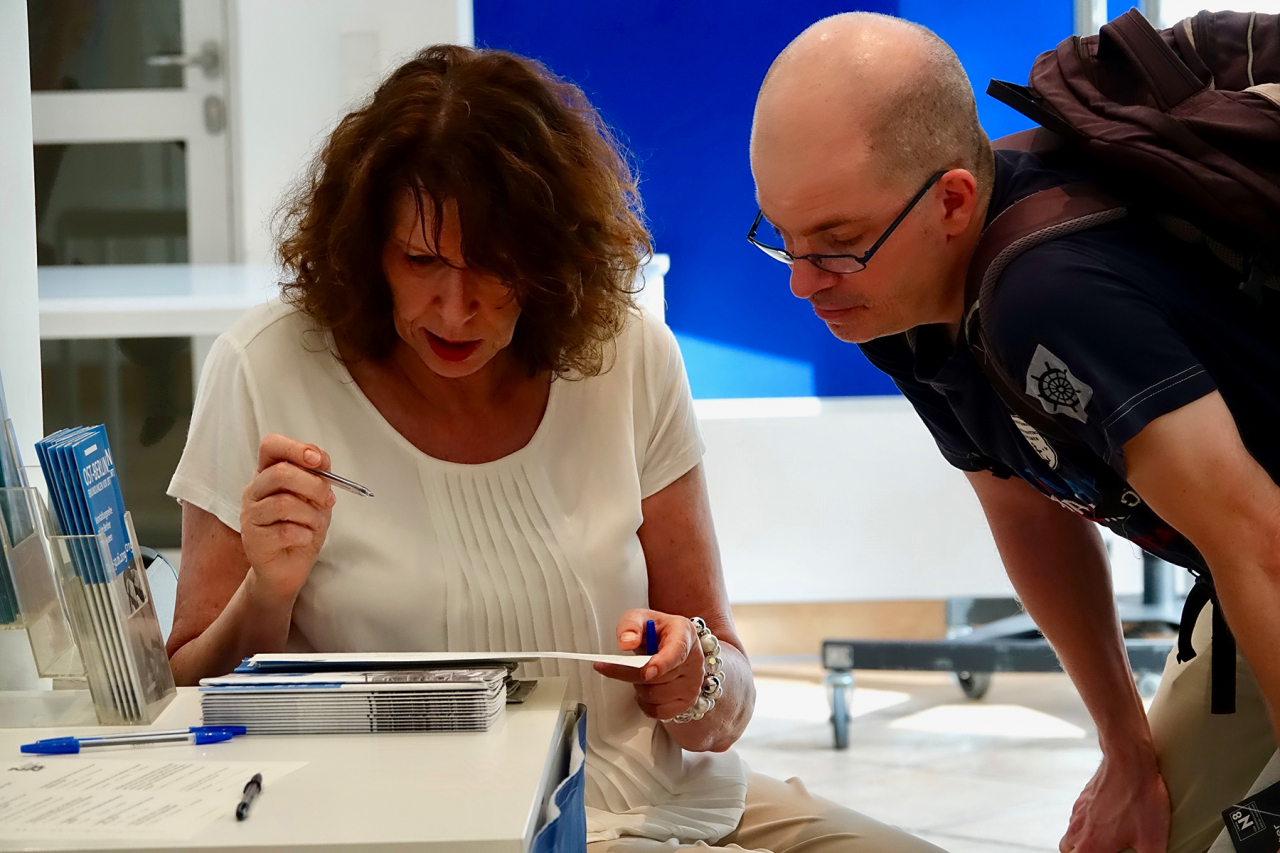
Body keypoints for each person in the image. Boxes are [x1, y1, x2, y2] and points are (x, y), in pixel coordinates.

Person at [165, 44, 944, 853]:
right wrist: (267, 593)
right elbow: (182, 700)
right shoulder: (266, 367)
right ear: (367, 250)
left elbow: (725, 707)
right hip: (446, 832)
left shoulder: (627, 354)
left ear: (549, 260)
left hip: (667, 798)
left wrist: (693, 678)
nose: (455, 308)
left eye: (494, 267)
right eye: (422, 260)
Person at [750, 13, 1280, 853]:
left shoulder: (1045, 292)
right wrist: (1124, 749)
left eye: (837, 242)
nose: (804, 284)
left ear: (953, 200)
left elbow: (1257, 539)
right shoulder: (898, 300)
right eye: (783, 238)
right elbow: (1027, 510)